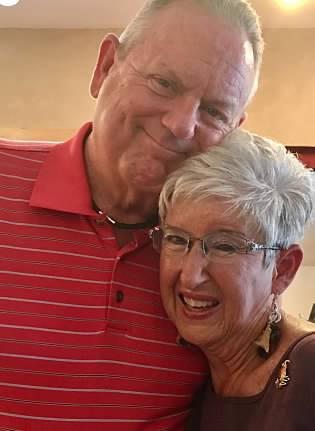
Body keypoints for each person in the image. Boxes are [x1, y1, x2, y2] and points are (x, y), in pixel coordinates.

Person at [0, 0, 263, 430]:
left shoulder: (218, 256)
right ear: (105, 67)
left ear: (233, 131)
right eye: (163, 82)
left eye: (214, 111)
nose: (181, 124)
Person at [152, 129, 315, 430]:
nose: (190, 275)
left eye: (225, 245)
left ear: (283, 268)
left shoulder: (308, 367)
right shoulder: (193, 378)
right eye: (176, 239)